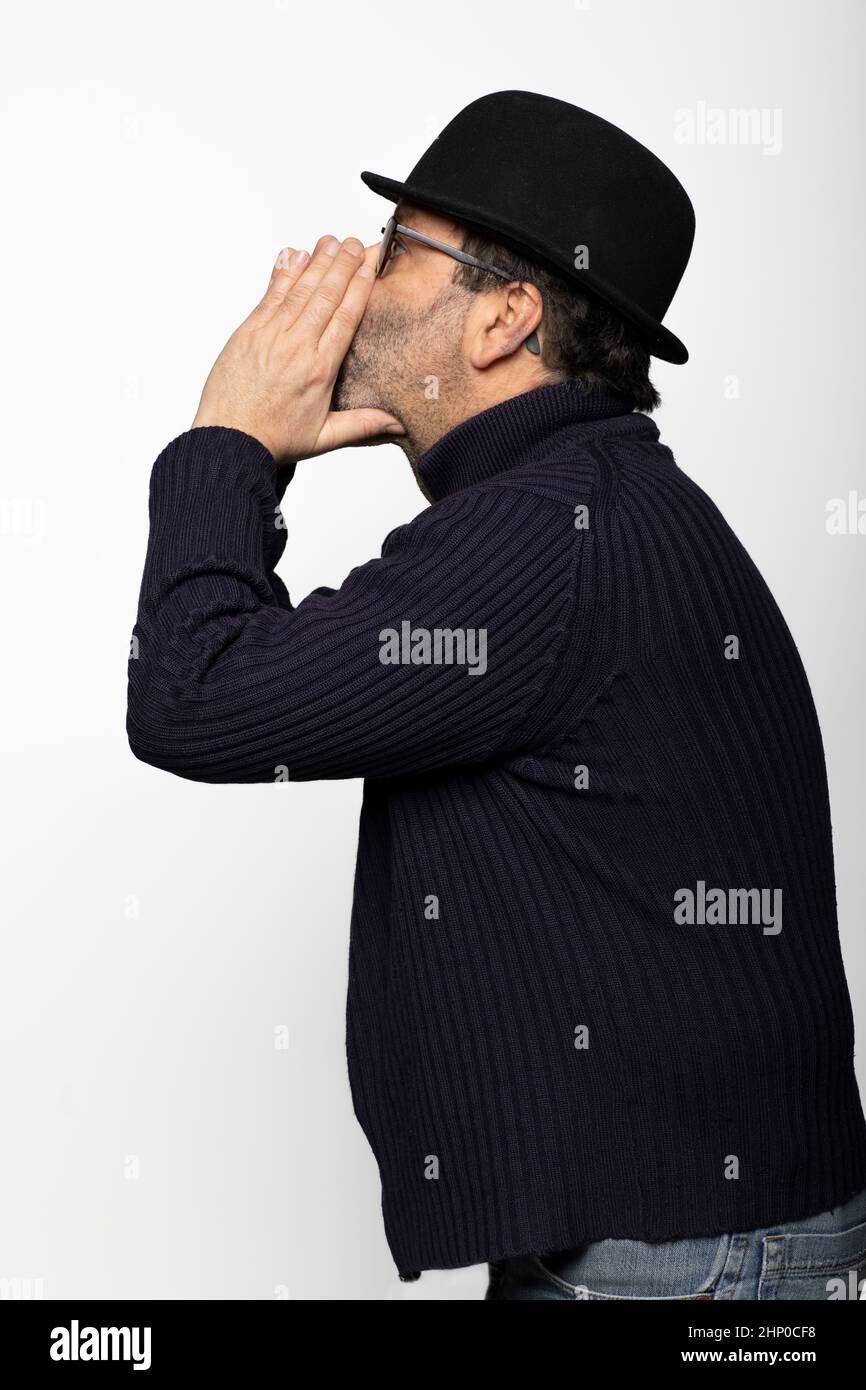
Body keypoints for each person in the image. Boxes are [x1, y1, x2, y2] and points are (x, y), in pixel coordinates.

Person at [127, 92, 866, 1299]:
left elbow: (192, 694)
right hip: (698, 1239)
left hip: (670, 1260)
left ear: (505, 317)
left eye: (392, 253)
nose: (353, 283)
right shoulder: (589, 502)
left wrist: (228, 438)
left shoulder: (542, 536)